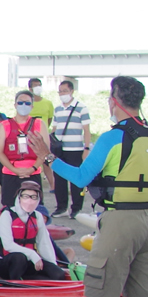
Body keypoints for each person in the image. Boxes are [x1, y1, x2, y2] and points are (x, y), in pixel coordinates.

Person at [31, 74, 148, 297]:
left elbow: (81, 177)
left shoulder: (113, 137)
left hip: (122, 222)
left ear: (114, 101)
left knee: (98, 290)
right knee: (146, 293)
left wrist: (48, 157)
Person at [0, 180, 66, 281]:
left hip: (29, 262)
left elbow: (44, 243)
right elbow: (8, 245)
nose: (29, 200)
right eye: (25, 196)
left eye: (33, 197)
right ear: (19, 197)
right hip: (7, 262)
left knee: (57, 274)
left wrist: (52, 265)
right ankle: (13, 284)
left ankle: (29, 282)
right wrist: (32, 254)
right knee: (19, 258)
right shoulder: (7, 215)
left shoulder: (37, 216)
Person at [51, 79, 93, 221]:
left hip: (75, 149)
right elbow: (54, 129)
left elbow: (86, 130)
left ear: (72, 91)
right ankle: (61, 207)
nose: (62, 94)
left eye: (65, 91)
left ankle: (76, 209)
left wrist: (86, 148)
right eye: (60, 91)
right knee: (59, 179)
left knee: (75, 179)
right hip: (60, 150)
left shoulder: (81, 108)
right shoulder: (57, 109)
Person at [0, 89, 46, 210]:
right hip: (11, 173)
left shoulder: (39, 123)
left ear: (32, 106)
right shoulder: (5, 125)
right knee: (10, 208)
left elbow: (45, 151)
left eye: (27, 103)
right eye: (20, 102)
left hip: (33, 172)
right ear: (15, 105)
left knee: (35, 208)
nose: (24, 105)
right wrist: (14, 169)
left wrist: (32, 168)